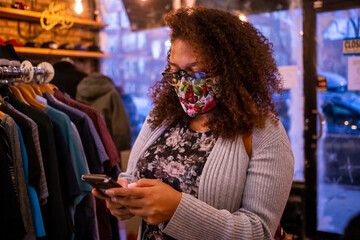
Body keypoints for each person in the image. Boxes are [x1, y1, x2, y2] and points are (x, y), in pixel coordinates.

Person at [92, 6, 294, 240]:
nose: (183, 84)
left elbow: (259, 231)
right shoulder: (162, 117)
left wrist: (177, 209)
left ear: (231, 71)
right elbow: (131, 176)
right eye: (175, 71)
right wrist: (123, 199)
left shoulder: (263, 132)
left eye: (194, 72)